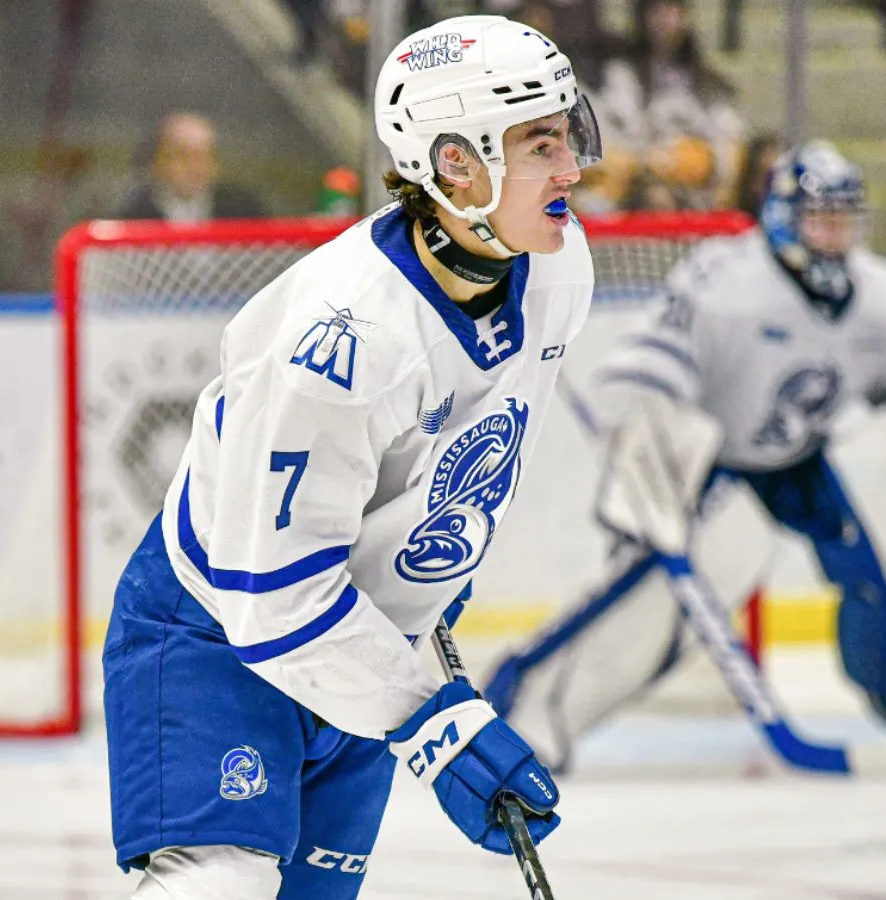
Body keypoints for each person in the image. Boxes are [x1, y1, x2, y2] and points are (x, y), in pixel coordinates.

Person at [102, 15, 602, 899]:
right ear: (457, 163)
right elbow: (274, 595)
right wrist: (432, 725)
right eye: (541, 144)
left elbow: (475, 448)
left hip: (367, 643)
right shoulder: (340, 345)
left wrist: (430, 570)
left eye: (568, 135)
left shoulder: (558, 267)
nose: (572, 169)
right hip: (218, 636)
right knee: (221, 889)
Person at [484, 140, 886, 771]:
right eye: (821, 219)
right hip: (718, 462)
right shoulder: (726, 281)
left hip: (808, 463)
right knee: (662, 597)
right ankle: (529, 710)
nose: (835, 235)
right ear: (784, 217)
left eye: (845, 220)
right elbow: (649, 372)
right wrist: (650, 449)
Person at [578, 0, 745, 213]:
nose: (663, 17)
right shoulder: (622, 74)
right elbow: (610, 135)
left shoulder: (707, 83)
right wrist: (645, 159)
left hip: (690, 193)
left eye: (672, 8)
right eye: (655, 9)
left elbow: (729, 139)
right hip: (634, 185)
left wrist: (685, 158)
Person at [114, 111, 268, 222]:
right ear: (156, 163)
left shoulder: (244, 210)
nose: (194, 167)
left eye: (203, 156)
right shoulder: (132, 215)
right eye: (182, 155)